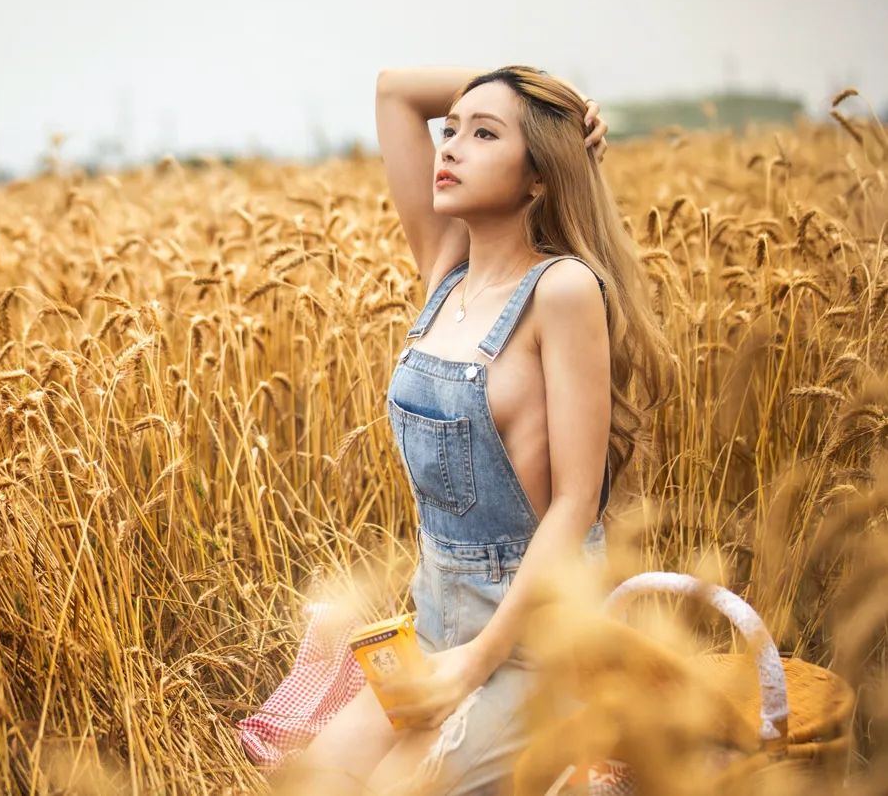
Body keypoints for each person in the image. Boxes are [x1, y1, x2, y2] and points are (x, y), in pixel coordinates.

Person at [273, 66, 674, 795]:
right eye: (449, 130)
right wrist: (543, 90)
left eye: (484, 134)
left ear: (538, 178)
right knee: (313, 781)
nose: (449, 147)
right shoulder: (445, 275)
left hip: (537, 643)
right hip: (433, 628)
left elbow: (576, 503)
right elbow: (397, 91)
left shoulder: (563, 290)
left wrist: (482, 656)